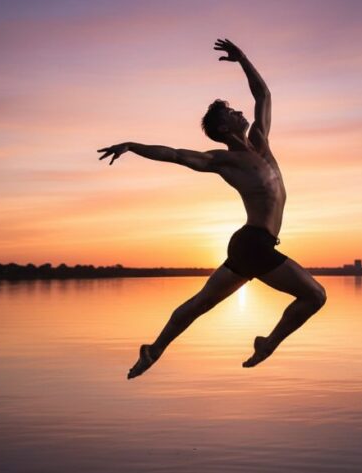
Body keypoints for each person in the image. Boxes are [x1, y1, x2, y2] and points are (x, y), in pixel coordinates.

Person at [98, 39, 326, 379]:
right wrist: (133, 145)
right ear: (223, 129)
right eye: (230, 112)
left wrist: (243, 59)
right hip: (253, 243)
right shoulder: (222, 161)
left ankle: (153, 349)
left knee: (202, 303)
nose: (237, 111)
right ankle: (267, 343)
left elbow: (263, 95)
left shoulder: (261, 141)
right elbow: (175, 154)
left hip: (253, 244)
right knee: (315, 296)